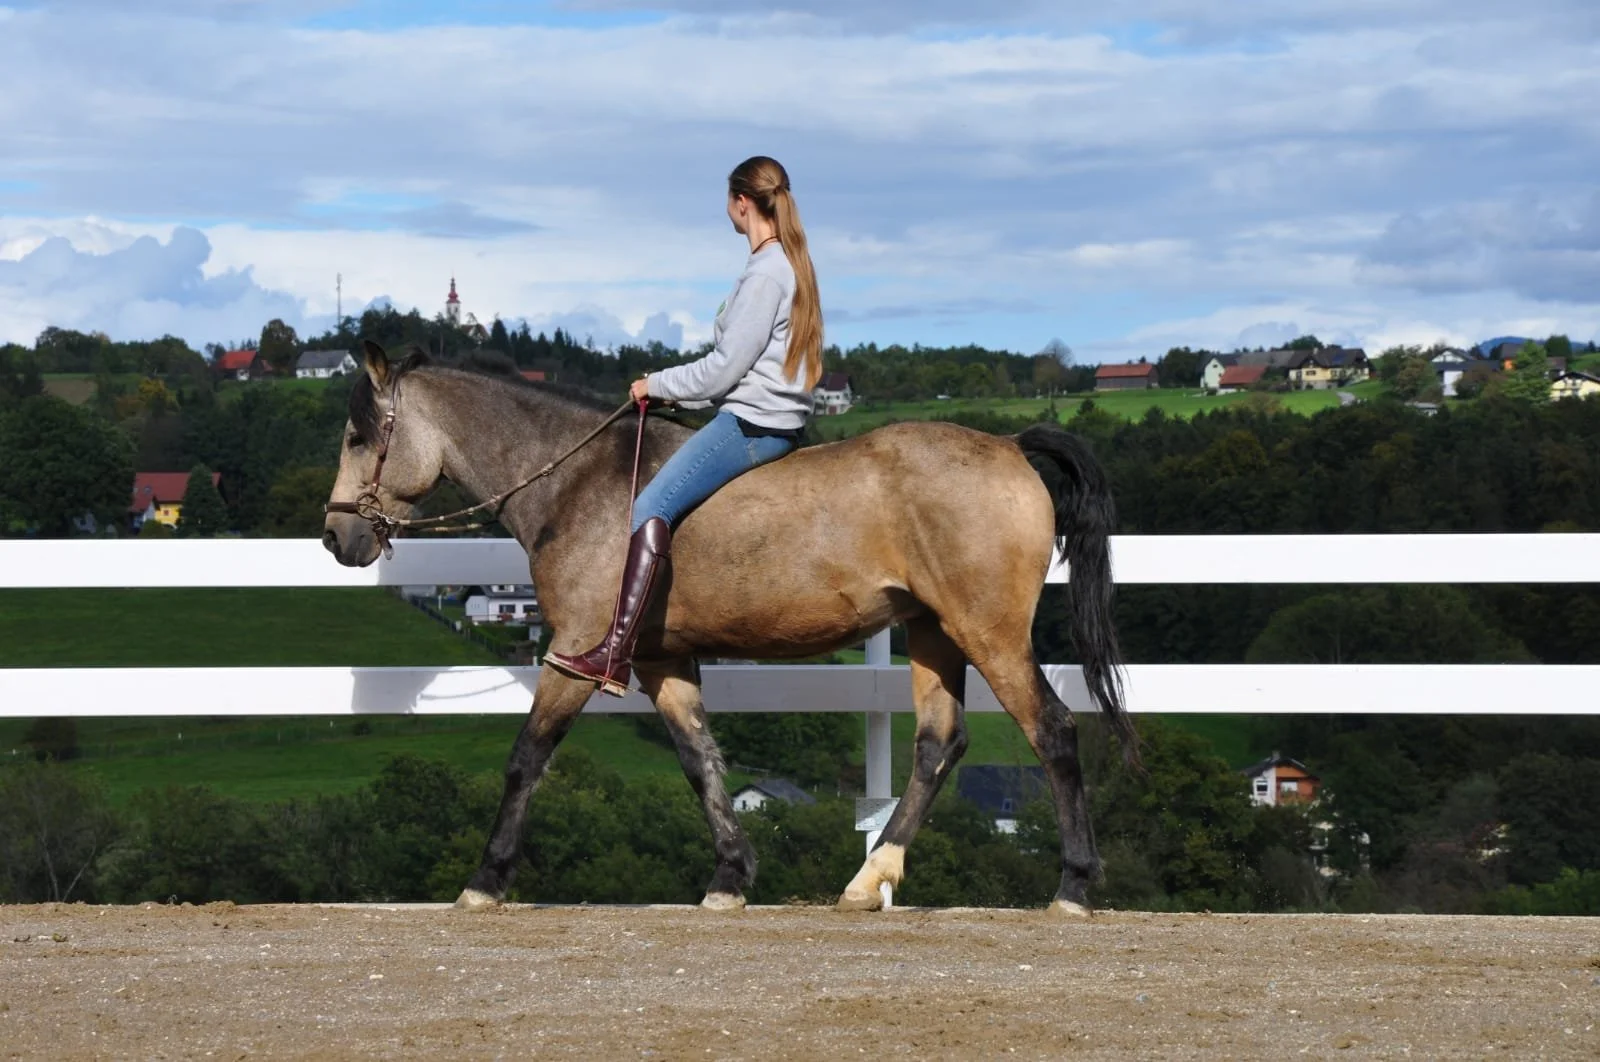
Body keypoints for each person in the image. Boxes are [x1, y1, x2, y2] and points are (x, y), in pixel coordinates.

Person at [543, 155, 824, 696]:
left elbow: (723, 369)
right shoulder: (788, 262)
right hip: (772, 417)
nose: (727, 208)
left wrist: (656, 384)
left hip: (752, 424)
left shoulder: (767, 272)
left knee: (651, 505)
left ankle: (614, 654)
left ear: (742, 202)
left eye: (727, 199)